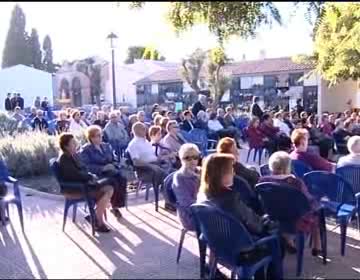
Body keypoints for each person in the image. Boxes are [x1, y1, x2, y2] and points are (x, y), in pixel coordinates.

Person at [197, 153, 280, 280]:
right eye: (231, 170)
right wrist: (270, 221)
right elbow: (257, 226)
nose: (234, 173)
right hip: (241, 251)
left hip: (219, 248)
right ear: (220, 174)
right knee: (276, 240)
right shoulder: (230, 199)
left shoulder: (203, 196)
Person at [259, 151, 321, 256]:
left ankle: (289, 240)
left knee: (287, 209)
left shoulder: (263, 181)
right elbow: (307, 200)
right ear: (288, 166)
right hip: (296, 220)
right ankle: (317, 246)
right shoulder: (296, 182)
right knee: (315, 214)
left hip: (273, 217)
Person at [57, 133, 114, 233]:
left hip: (83, 184)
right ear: (66, 146)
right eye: (73, 143)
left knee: (109, 186)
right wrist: (90, 177)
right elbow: (74, 176)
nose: (76, 144)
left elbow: (83, 169)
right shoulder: (64, 159)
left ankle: (95, 217)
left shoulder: (73, 155)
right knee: (107, 190)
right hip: (75, 189)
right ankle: (99, 222)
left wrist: (91, 176)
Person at [80, 126, 127, 219]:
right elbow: (86, 166)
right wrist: (102, 168)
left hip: (110, 171)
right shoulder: (86, 149)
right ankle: (110, 207)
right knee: (114, 180)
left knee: (122, 178)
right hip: (97, 175)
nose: (100, 137)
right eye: (98, 136)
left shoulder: (106, 146)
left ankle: (115, 206)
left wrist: (114, 165)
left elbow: (114, 159)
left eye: (101, 135)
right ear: (91, 137)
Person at [127, 122, 167, 188]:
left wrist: (164, 156)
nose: (145, 130)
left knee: (172, 170)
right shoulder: (133, 144)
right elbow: (136, 162)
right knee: (166, 175)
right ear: (136, 131)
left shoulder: (146, 141)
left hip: (156, 164)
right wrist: (151, 166)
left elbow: (153, 156)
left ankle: (169, 190)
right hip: (145, 170)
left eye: (145, 128)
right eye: (143, 129)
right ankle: (168, 191)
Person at [172, 144, 202, 231]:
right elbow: (187, 203)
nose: (192, 161)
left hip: (203, 207)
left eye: (195, 157)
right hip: (189, 216)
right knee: (221, 222)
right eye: (187, 158)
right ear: (181, 159)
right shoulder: (179, 177)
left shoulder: (200, 171)